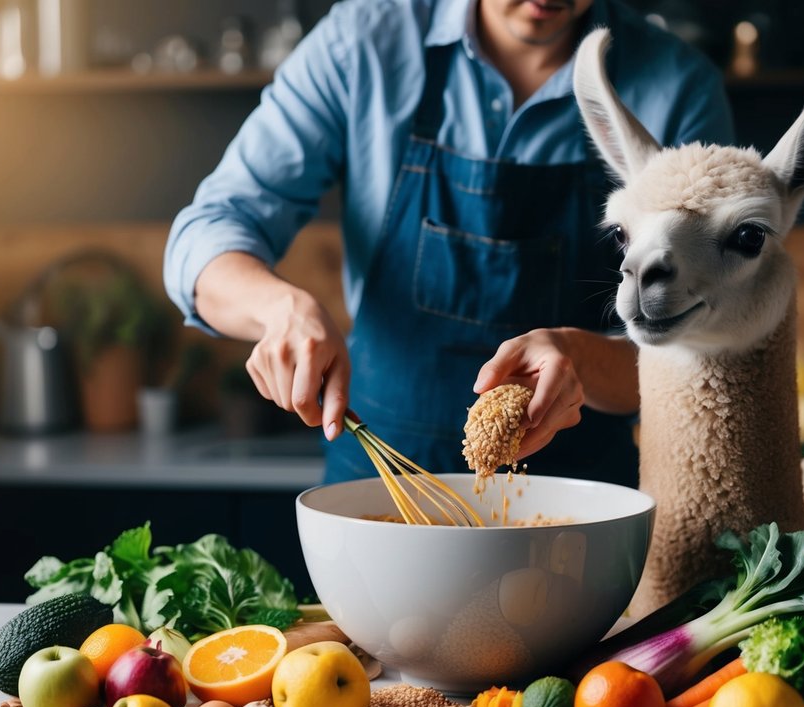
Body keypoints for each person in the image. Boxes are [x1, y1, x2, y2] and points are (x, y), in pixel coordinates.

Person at [165, 0, 734, 485]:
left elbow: (705, 345)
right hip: (380, 477)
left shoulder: (675, 88)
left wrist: (583, 359)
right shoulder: (363, 45)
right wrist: (278, 308)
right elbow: (208, 231)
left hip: (580, 500)